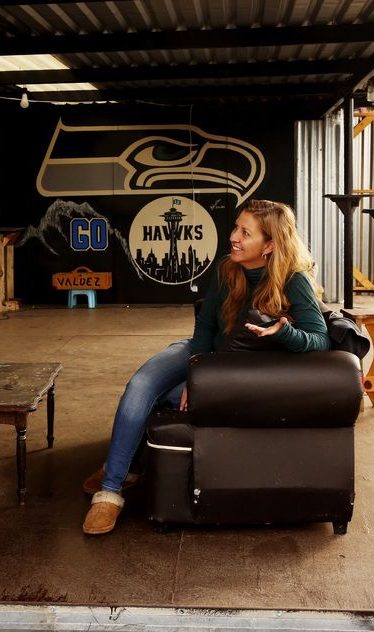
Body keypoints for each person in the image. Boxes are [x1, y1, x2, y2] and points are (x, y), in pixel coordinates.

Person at [82, 199, 332, 535]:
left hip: (230, 370)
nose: (234, 237)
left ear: (270, 245)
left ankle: (124, 469)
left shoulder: (294, 280)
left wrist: (284, 332)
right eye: (235, 227)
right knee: (141, 385)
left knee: (166, 399)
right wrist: (195, 373)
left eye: (246, 232)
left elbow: (321, 340)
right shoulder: (227, 269)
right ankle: (110, 491)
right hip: (200, 354)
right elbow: (204, 329)